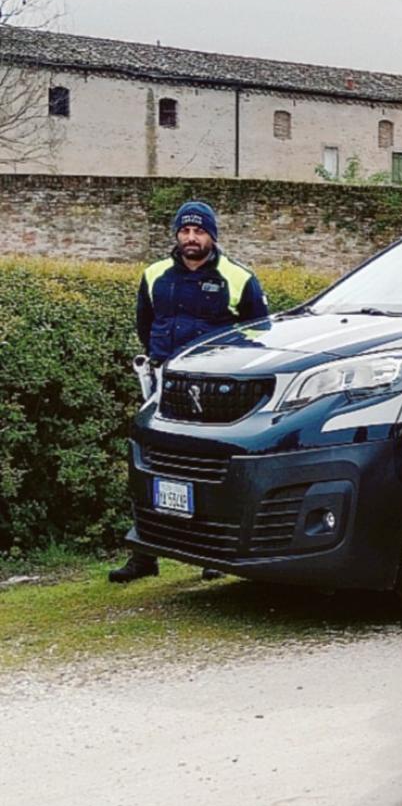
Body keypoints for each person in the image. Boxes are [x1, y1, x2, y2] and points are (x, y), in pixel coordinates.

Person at [110, 200, 268, 584]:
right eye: (185, 231)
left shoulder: (239, 277)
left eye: (199, 231)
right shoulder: (154, 275)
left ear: (212, 235)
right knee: (149, 462)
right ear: (176, 235)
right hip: (166, 383)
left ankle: (213, 554)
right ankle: (144, 554)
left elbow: (261, 333)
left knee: (209, 466)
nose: (191, 238)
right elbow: (145, 326)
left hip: (218, 389)